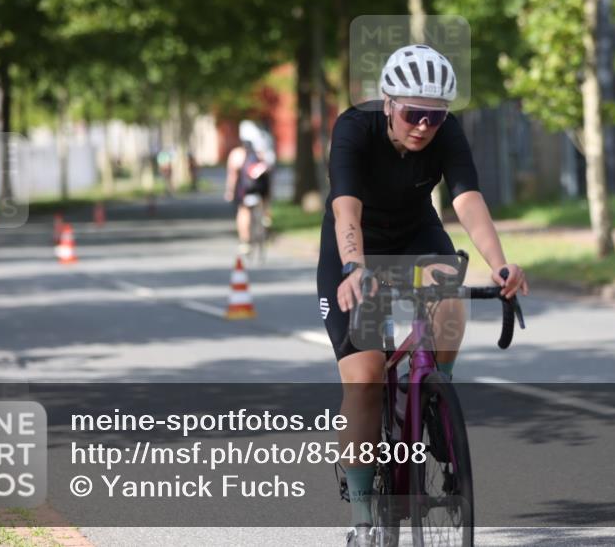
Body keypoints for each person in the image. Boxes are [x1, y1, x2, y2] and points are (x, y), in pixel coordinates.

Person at [317, 44, 529, 546]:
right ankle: (364, 519)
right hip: (357, 245)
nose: (424, 126)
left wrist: (500, 264)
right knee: (366, 377)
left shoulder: (445, 132)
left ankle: (435, 392)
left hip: (416, 234)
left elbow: (467, 199)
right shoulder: (353, 127)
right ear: (388, 103)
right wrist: (354, 268)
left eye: (435, 117)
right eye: (414, 114)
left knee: (450, 292)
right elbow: (346, 209)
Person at [224, 120, 275, 256]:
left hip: (245, 190)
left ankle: (245, 242)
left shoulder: (236, 154)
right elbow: (270, 171)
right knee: (266, 199)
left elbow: (232, 175)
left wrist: (229, 191)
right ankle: (266, 216)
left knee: (243, 211)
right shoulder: (262, 153)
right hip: (261, 190)